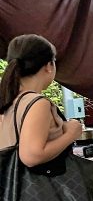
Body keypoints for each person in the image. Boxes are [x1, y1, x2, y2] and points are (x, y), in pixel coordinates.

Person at [0, 34, 83, 166]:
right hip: (38, 185)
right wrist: (71, 133)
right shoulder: (37, 103)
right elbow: (32, 156)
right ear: (49, 66)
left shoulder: (8, 100)